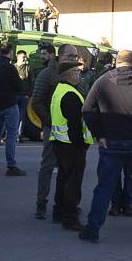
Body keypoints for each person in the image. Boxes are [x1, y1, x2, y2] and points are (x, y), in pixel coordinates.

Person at [79, 49, 132, 245]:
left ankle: (93, 230)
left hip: (111, 142)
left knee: (104, 187)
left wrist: (99, 134)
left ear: (117, 62)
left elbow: (87, 109)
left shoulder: (102, 81)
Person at [32, 44, 80, 220]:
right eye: (70, 56)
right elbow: (36, 101)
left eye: (75, 56)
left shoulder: (76, 74)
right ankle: (41, 203)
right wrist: (50, 123)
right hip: (53, 129)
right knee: (47, 166)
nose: (73, 59)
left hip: (71, 130)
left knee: (69, 169)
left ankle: (66, 204)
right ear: (60, 56)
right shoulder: (47, 74)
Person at [49, 60, 92, 231]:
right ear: (69, 75)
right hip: (71, 145)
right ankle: (70, 218)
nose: (80, 75)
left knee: (63, 179)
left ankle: (59, 212)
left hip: (60, 143)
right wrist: (81, 145)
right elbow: (75, 125)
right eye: (77, 72)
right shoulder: (71, 94)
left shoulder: (59, 90)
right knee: (72, 183)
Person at [0, 43, 26, 175]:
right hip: (10, 104)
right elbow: (19, 86)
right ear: (10, 52)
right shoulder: (10, 68)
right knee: (11, 135)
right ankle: (11, 165)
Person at [15, 49, 34, 140]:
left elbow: (32, 82)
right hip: (14, 95)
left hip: (24, 95)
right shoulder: (13, 67)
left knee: (22, 116)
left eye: (25, 57)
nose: (25, 59)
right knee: (14, 115)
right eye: (23, 57)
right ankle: (11, 134)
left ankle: (19, 134)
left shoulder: (28, 68)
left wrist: (29, 94)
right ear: (18, 57)